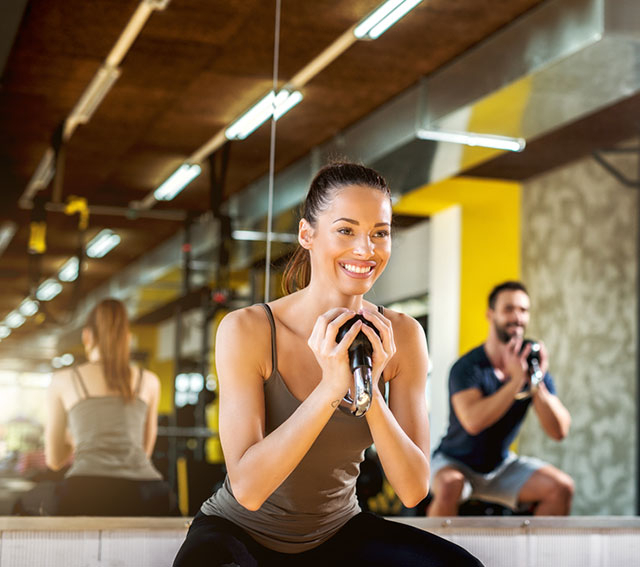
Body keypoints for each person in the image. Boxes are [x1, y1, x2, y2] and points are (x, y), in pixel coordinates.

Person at [173, 162, 482, 566]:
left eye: (380, 233)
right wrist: (330, 389)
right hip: (240, 533)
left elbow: (412, 489)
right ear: (307, 234)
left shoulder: (402, 336)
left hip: (337, 532)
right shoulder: (248, 330)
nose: (365, 249)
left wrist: (367, 390)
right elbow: (248, 489)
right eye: (346, 230)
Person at [427, 281, 574, 516]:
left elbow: (559, 431)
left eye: (523, 310)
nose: (517, 317)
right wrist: (515, 381)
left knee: (561, 488)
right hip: (455, 462)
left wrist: (535, 382)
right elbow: (473, 422)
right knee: (449, 485)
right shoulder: (467, 367)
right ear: (490, 314)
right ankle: (432, 553)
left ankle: (535, 554)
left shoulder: (530, 366)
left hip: (500, 466)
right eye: (509, 309)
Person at [44, 298, 174, 516]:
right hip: (149, 494)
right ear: (128, 338)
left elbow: (54, 460)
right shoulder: (149, 380)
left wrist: (73, 437)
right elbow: (144, 452)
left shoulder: (62, 380)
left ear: (87, 336)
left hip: (84, 491)